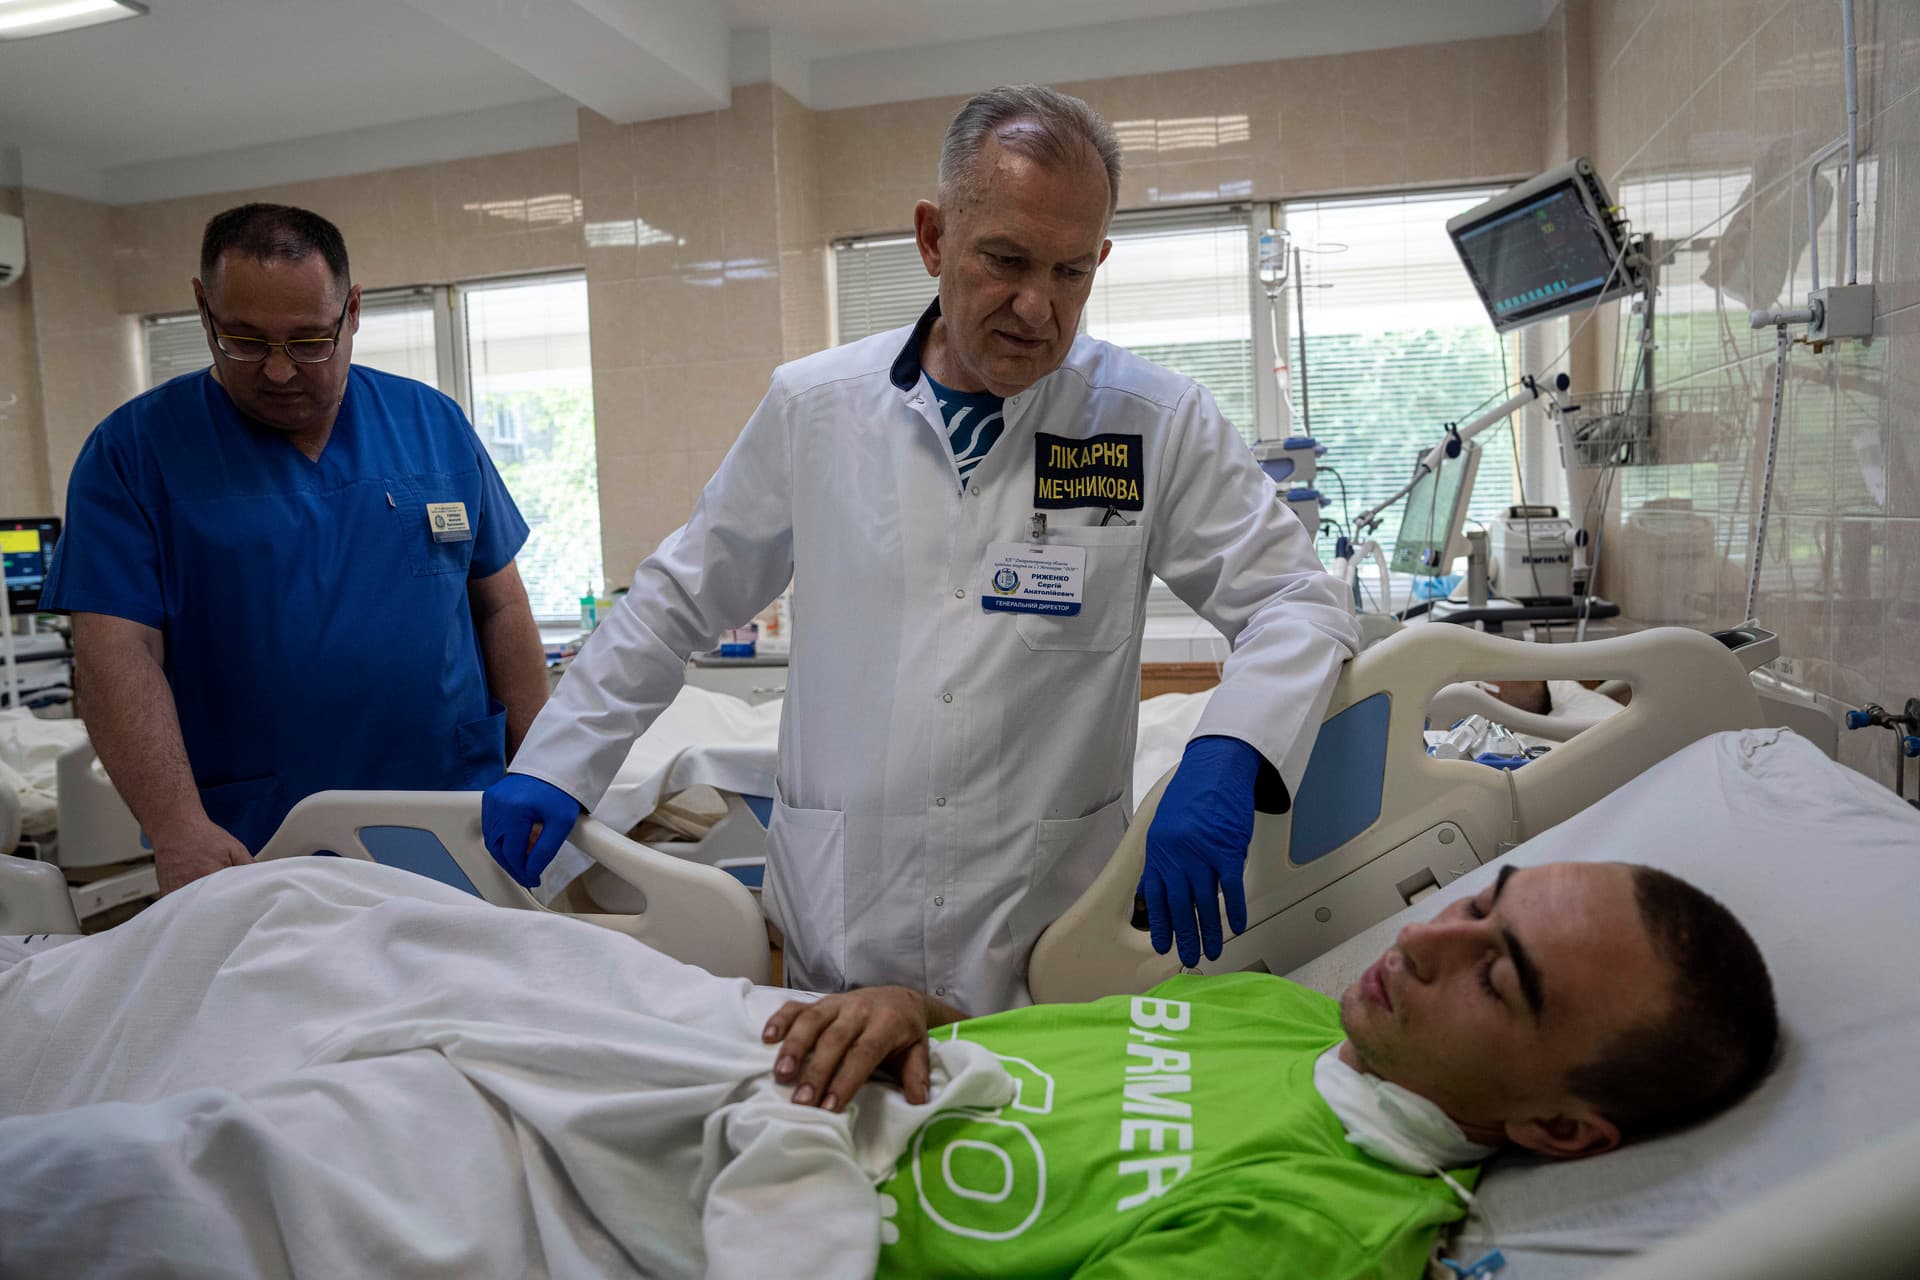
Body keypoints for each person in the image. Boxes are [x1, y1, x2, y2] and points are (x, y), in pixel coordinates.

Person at [486, 85, 1360, 1014]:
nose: (1038, 305)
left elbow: (1297, 601)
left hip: (1053, 950)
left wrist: (1228, 753)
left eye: (1071, 272)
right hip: (843, 934)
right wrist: (557, 758)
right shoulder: (813, 407)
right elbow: (676, 602)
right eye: (1007, 260)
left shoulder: (1153, 423)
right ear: (934, 238)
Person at [0, 855, 1778, 1278]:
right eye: (1473, 898)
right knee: (301, 912)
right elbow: (989, 1046)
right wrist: (907, 1007)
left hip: (712, 1195)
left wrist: (788, 1145)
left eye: (1508, 974)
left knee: (251, 1154)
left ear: (1557, 1120)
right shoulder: (1288, 1015)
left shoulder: (1316, 1226)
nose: (1436, 935)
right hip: (749, 1051)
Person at [41, 204, 548, 893]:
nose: (279, 372)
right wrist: (176, 826)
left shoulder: (432, 424)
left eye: (310, 341)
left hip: (453, 810)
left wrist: (544, 766)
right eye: (245, 341)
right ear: (201, 307)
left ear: (354, 311)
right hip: (258, 838)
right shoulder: (133, 454)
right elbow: (115, 654)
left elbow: (502, 607)